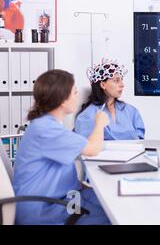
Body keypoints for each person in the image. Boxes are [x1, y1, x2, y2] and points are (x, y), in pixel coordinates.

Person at [13, 69, 111, 225]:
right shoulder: (46, 130)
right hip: (45, 209)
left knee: (109, 198)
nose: (77, 96)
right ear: (62, 100)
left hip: (61, 198)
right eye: (74, 92)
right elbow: (92, 149)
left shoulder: (47, 124)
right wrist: (100, 123)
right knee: (112, 215)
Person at [75, 58, 145, 140]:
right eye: (116, 81)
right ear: (103, 85)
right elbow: (85, 145)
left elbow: (140, 138)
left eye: (121, 80)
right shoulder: (87, 115)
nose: (122, 84)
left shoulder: (131, 111)